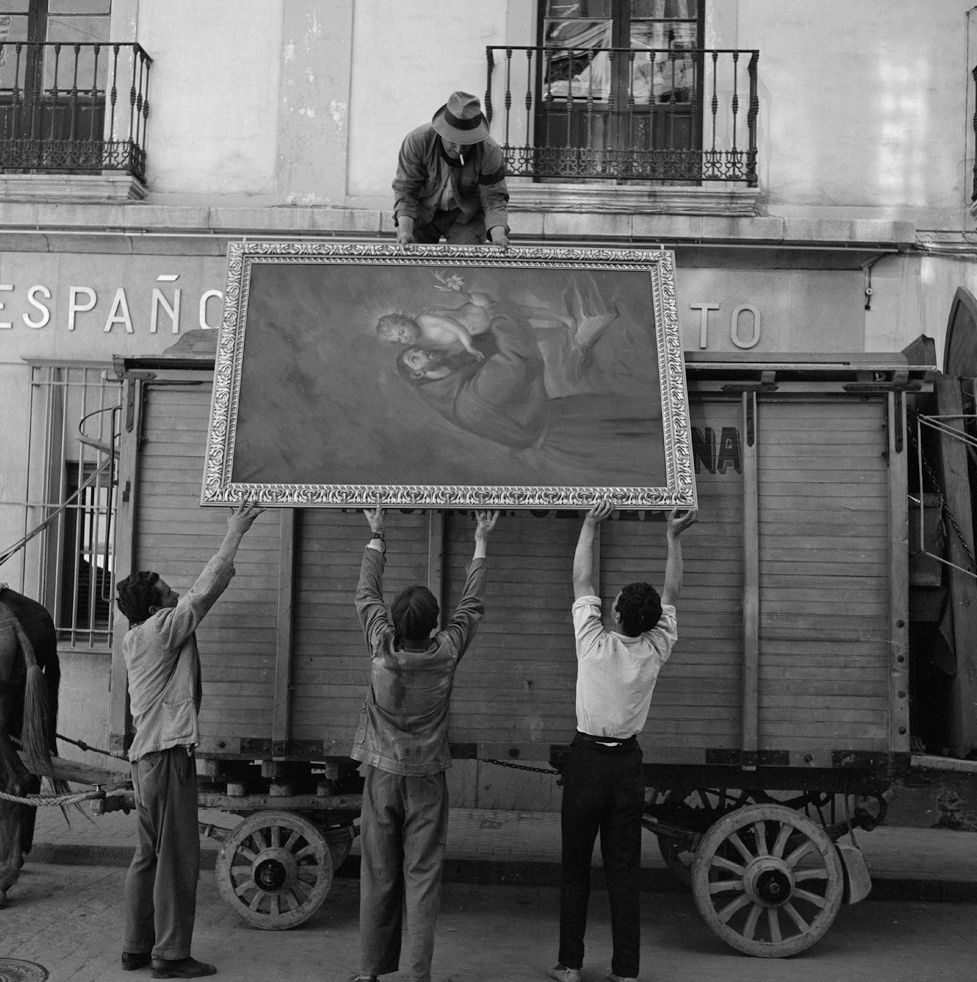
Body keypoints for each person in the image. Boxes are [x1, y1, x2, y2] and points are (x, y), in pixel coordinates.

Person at [550, 499, 698, 982]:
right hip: (627, 768)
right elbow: (672, 591)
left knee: (576, 868)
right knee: (623, 873)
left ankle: (570, 966)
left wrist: (590, 524)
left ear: (614, 614)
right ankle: (625, 972)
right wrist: (673, 538)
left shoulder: (593, 643)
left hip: (587, 763)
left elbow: (580, 581)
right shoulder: (656, 647)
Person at [115, 501, 263, 979]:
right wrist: (234, 532)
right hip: (167, 759)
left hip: (145, 762)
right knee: (176, 858)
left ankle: (136, 948)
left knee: (148, 855)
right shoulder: (161, 630)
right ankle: (170, 956)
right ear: (156, 607)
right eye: (167, 592)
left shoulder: (136, 636)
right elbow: (205, 591)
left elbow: (191, 597)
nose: (176, 593)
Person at [351, 505, 499, 982]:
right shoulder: (447, 652)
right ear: (434, 625)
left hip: (382, 775)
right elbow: (471, 605)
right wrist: (480, 539)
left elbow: (365, 593)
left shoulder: (381, 646)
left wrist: (378, 535)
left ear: (395, 623)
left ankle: (371, 972)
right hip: (428, 780)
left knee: (379, 873)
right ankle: (418, 975)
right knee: (423, 877)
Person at [393, 90, 509, 247]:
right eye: (453, 141)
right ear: (442, 132)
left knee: (466, 263)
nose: (459, 149)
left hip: (465, 216)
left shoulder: (490, 151)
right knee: (412, 259)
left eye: (466, 142)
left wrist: (499, 237)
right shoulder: (416, 142)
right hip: (421, 211)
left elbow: (493, 199)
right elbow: (406, 190)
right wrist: (405, 231)